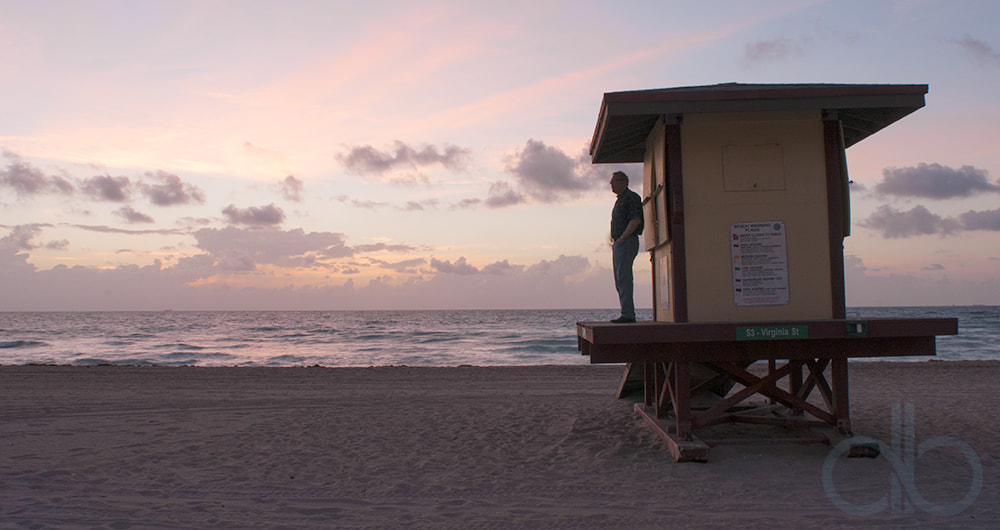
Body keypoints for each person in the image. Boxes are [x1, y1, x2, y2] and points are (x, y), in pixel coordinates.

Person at [609, 170, 643, 323]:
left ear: (624, 182)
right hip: (620, 242)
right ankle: (626, 312)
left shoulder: (631, 198)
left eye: (614, 181)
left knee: (624, 278)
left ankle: (628, 314)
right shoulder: (621, 199)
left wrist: (623, 237)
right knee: (620, 278)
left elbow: (635, 219)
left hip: (626, 241)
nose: (611, 184)